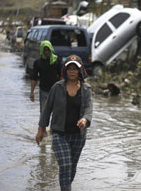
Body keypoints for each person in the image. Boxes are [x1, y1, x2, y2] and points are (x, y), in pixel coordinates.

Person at [36, 55, 93, 191]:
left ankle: (65, 187)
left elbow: (88, 108)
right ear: (65, 71)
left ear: (80, 71)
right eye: (69, 68)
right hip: (59, 134)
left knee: (71, 169)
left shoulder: (86, 89)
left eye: (75, 68)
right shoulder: (57, 87)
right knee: (66, 165)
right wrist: (41, 129)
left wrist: (85, 119)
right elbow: (47, 108)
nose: (72, 71)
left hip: (78, 136)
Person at [30, 40, 62, 113]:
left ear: (51, 49)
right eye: (44, 50)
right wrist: (32, 92)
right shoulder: (38, 63)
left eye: (48, 50)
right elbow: (34, 78)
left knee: (56, 113)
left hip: (55, 90)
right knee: (44, 113)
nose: (47, 52)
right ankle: (43, 125)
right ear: (42, 51)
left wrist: (63, 90)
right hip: (43, 90)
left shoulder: (56, 60)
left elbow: (61, 76)